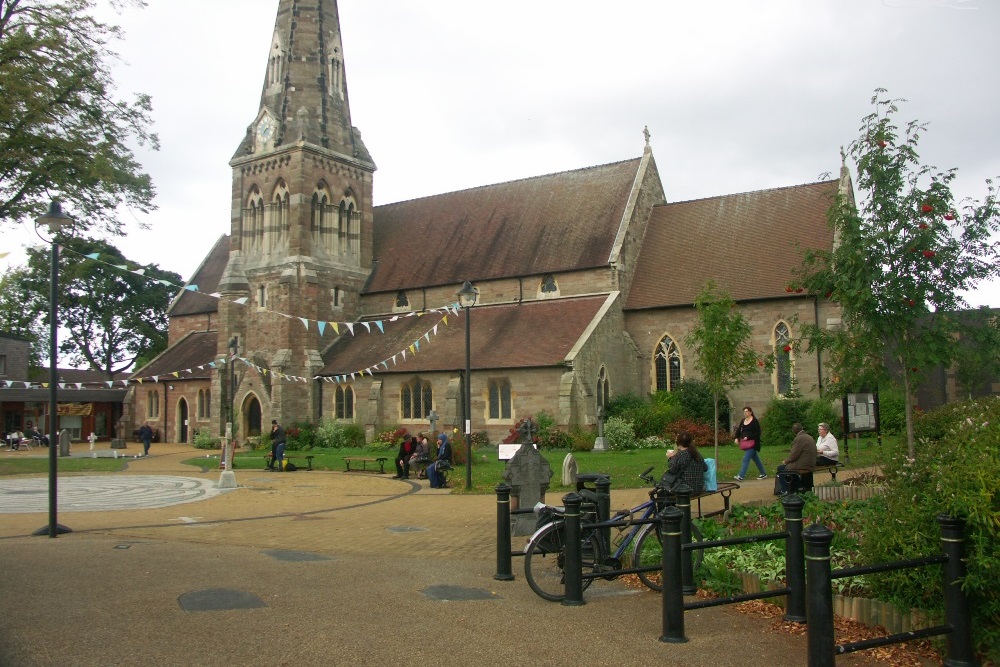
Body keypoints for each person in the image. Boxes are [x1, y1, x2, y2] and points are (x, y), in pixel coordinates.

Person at [775, 422, 817, 495]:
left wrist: (786, 461)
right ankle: (798, 486)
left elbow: (794, 455)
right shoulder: (809, 437)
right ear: (801, 428)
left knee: (781, 469)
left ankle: (786, 490)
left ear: (793, 431)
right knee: (789, 468)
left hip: (804, 464)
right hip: (811, 462)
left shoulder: (799, 438)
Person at [732, 406, 767, 481]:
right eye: (744, 411)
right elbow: (739, 431)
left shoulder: (754, 421)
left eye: (747, 411)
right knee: (756, 459)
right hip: (746, 443)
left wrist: (748, 437)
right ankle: (763, 473)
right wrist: (736, 438)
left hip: (753, 443)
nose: (745, 413)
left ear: (750, 412)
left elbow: (758, 433)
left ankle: (740, 476)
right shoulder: (743, 421)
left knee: (745, 459)